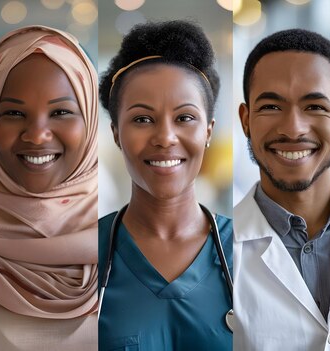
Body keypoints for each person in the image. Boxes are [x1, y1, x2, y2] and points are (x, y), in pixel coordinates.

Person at [97, 20, 232, 350]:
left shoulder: (250, 253)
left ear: (209, 131)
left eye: (185, 118)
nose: (165, 138)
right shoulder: (83, 257)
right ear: (116, 133)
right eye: (142, 119)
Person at [0, 26, 98, 351]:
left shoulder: (133, 234)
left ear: (92, 121)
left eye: (61, 112)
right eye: (13, 112)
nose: (37, 135)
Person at [234, 29, 330, 350]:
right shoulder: (215, 250)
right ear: (245, 120)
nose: (293, 129)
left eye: (314, 107)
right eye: (271, 107)